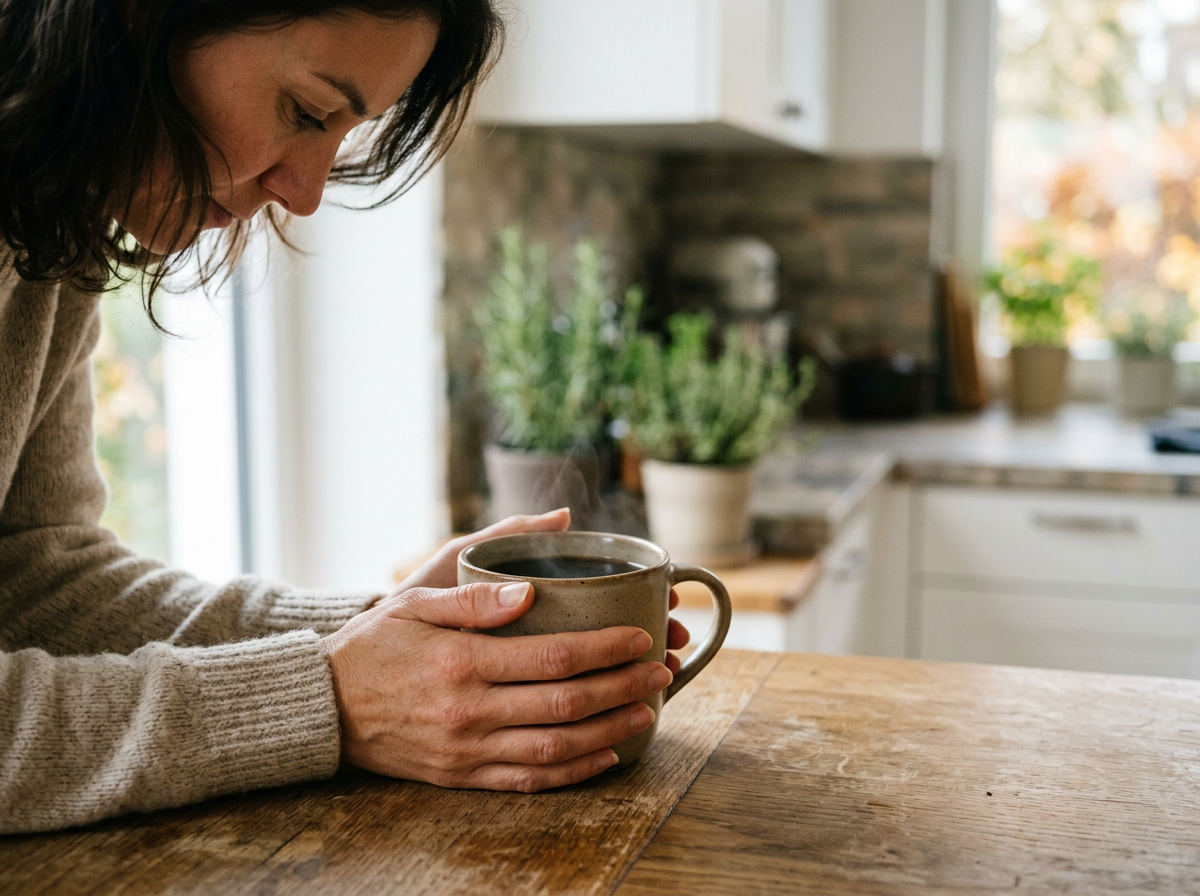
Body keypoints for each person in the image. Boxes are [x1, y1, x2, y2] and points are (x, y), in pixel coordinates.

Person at [0, 0, 688, 835]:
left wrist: (388, 633)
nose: (308, 192)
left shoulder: (49, 221)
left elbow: (32, 574)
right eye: (305, 112)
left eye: (341, 136)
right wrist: (323, 698)